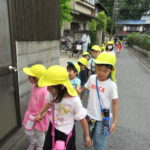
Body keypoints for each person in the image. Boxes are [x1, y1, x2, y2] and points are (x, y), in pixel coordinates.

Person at [35, 65, 92, 150]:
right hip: (53, 128)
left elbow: (82, 118)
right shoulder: (53, 94)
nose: (47, 89)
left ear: (62, 86)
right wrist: (40, 113)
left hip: (66, 132)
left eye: (50, 87)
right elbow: (49, 104)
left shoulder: (74, 100)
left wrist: (87, 135)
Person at [83, 52, 119, 150]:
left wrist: (115, 121)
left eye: (105, 71)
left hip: (103, 120)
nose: (101, 73)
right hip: (89, 116)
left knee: (100, 143)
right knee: (87, 137)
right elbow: (84, 89)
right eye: (98, 69)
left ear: (111, 70)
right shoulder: (92, 78)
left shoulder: (112, 85)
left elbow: (115, 103)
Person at [22, 64, 50, 150]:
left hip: (40, 116)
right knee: (28, 131)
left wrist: (41, 115)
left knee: (39, 133)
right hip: (30, 114)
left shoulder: (45, 90)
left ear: (37, 79)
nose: (28, 77)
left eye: (30, 76)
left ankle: (40, 146)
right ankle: (33, 142)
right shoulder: (34, 86)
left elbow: (47, 106)